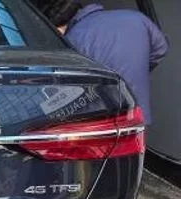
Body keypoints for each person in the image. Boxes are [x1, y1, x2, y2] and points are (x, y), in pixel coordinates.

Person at [40, 1, 169, 124]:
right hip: (137, 115)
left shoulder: (71, 42)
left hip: (101, 123)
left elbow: (66, 89)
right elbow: (161, 49)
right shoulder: (136, 18)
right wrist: (137, 69)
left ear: (57, 28)